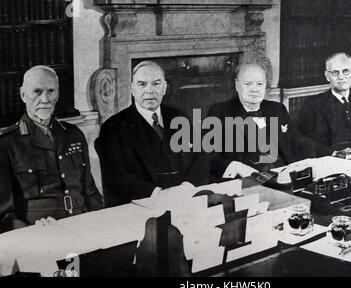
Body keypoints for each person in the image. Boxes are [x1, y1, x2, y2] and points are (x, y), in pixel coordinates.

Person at [0, 66, 103, 233]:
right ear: (22, 95)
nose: (45, 99)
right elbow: (4, 216)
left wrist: (101, 225)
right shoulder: (6, 144)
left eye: (51, 91)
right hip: (39, 233)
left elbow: (90, 193)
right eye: (37, 92)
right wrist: (31, 231)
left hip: (83, 226)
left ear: (58, 94)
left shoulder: (73, 135)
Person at [95, 61, 205, 206]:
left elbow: (200, 158)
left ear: (165, 88)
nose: (150, 90)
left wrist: (188, 187)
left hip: (184, 200)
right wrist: (159, 195)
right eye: (142, 84)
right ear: (132, 89)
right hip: (140, 207)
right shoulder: (113, 127)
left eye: (156, 84)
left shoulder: (179, 117)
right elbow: (117, 178)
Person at [207, 63, 296, 179]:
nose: (254, 89)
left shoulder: (277, 109)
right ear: (237, 85)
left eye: (260, 84)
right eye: (248, 84)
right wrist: (236, 167)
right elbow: (208, 154)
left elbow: (297, 140)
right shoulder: (220, 112)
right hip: (245, 180)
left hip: (282, 176)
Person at [293, 53, 351, 157]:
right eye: (335, 73)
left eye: (345, 71)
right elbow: (301, 141)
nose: (341, 77)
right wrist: (333, 153)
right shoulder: (312, 105)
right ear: (327, 76)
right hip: (330, 162)